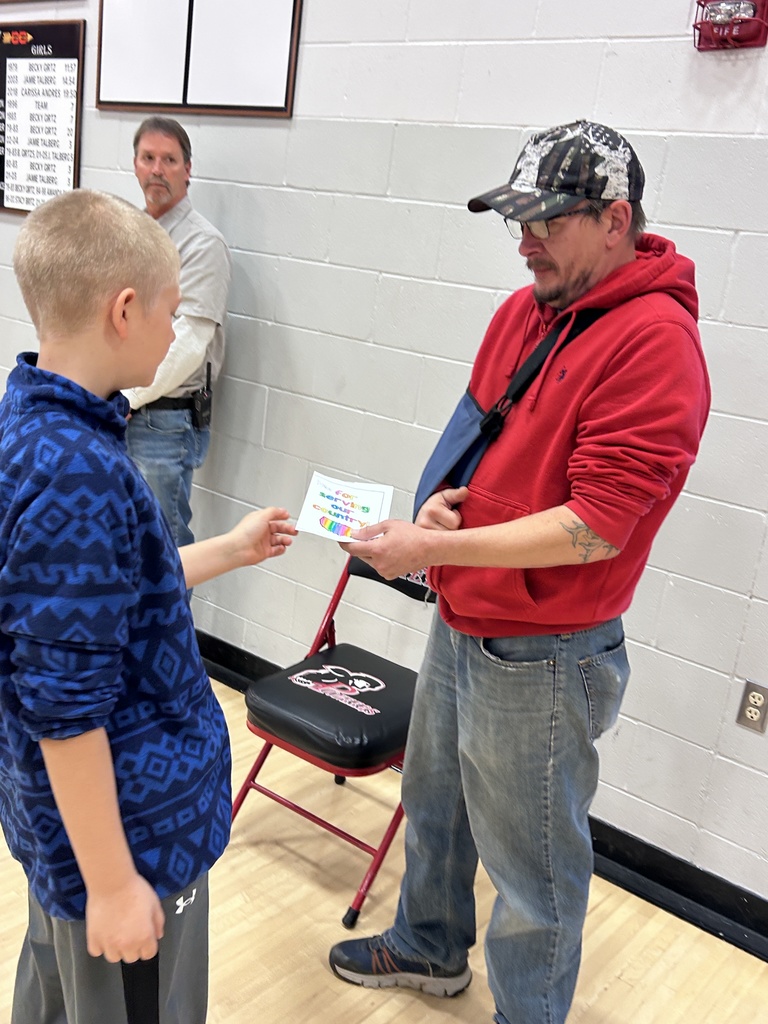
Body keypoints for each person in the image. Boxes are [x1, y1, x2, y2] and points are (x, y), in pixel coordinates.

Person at [328, 121, 710, 1024]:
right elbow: (478, 436)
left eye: (547, 218)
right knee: (435, 805)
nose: (526, 239)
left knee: (533, 866)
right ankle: (429, 947)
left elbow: (596, 529)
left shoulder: (655, 343)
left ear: (617, 220)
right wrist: (434, 508)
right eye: (516, 218)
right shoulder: (524, 311)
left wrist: (435, 552)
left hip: (546, 653)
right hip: (466, 616)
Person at [0, 188, 296, 1024]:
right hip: (126, 837)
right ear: (124, 310)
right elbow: (64, 705)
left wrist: (232, 550)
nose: (179, 333)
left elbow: (107, 599)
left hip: (68, 828)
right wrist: (115, 884)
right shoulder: (80, 474)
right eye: (174, 311)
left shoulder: (35, 427)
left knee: (54, 992)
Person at [126, 116, 232, 547]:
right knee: (121, 538)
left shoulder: (202, 245)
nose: (157, 169)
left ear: (187, 169)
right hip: (121, 408)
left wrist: (126, 398)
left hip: (162, 421)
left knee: (161, 546)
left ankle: (172, 620)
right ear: (134, 164)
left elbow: (189, 341)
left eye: (169, 159)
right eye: (148, 157)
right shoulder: (128, 234)